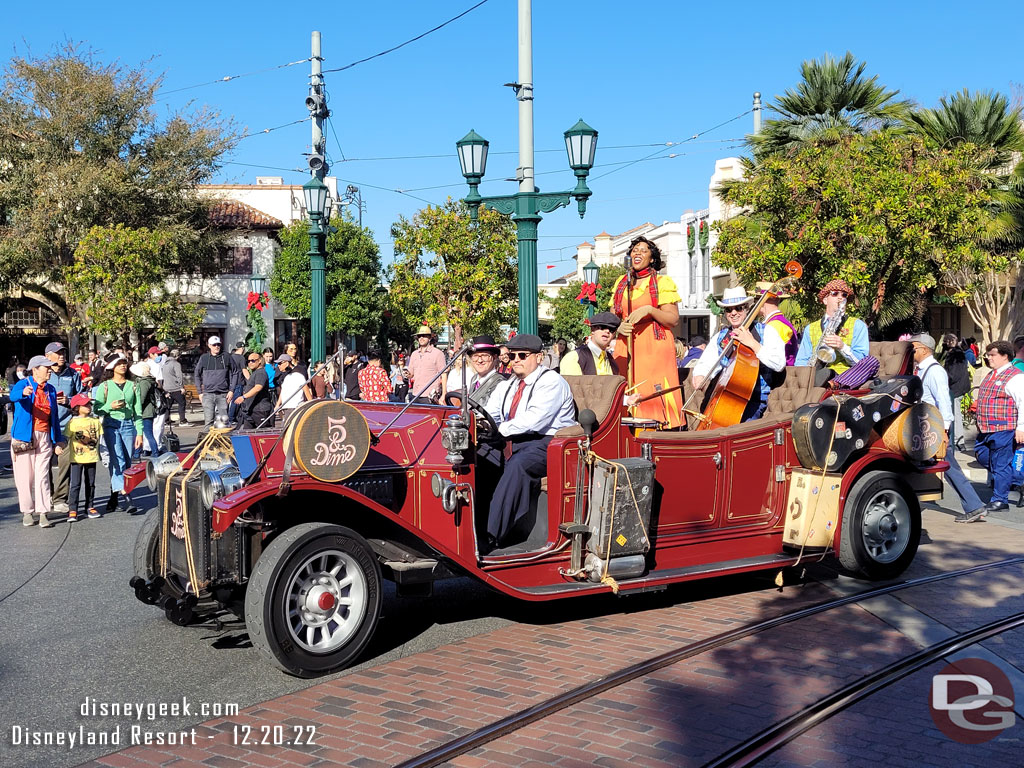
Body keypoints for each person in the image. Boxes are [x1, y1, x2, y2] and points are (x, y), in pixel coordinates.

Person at [482, 334, 576, 551]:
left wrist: (499, 431)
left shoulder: (551, 382)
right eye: (511, 356)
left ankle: (493, 536)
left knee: (518, 465)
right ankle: (471, 524)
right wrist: (479, 425)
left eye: (522, 355)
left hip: (549, 443)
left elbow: (534, 419)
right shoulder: (509, 384)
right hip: (513, 439)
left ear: (539, 357)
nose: (515, 360)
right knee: (479, 456)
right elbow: (492, 410)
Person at [909, 334, 986, 524]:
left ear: (925, 349)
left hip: (935, 429)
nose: (911, 352)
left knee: (950, 468)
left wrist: (944, 432)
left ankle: (974, 506)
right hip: (925, 427)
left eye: (914, 348)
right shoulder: (921, 370)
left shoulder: (935, 372)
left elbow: (944, 402)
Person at [610, 236, 684, 428]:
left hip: (653, 343)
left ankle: (659, 427)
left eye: (643, 250)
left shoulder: (662, 281)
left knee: (651, 387)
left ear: (652, 258)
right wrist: (617, 326)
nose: (638, 253)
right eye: (635, 249)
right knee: (623, 384)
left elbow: (673, 318)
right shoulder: (621, 282)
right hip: (625, 342)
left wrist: (650, 310)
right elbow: (613, 314)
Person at [691, 287, 786, 423]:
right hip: (723, 397)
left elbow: (779, 363)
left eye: (739, 308)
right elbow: (706, 363)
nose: (733, 313)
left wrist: (753, 344)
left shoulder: (767, 332)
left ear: (747, 308)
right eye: (729, 309)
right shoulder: (720, 336)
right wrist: (700, 375)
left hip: (752, 399)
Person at [10, 354, 66, 528]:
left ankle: (43, 512)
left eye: (50, 368)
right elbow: (13, 396)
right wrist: (23, 393)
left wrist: (58, 440)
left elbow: (54, 417)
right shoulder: (24, 384)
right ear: (35, 370)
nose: (50, 371)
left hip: (44, 436)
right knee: (24, 476)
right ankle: (27, 511)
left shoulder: (50, 389)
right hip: (24, 436)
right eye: (46, 368)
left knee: (43, 476)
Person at [972, 340, 1024, 516]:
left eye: (993, 354)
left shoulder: (1016, 376)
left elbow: (1023, 403)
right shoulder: (992, 374)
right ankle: (1019, 480)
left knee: (1001, 463)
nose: (989, 358)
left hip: (1005, 427)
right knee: (982, 455)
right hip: (986, 428)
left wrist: (1021, 428)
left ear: (1005, 356)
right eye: (988, 354)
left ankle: (1000, 500)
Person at [795, 279, 869, 385]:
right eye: (834, 294)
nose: (840, 297)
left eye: (844, 295)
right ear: (825, 300)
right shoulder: (810, 328)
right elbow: (800, 361)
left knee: (871, 362)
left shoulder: (858, 325)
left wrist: (842, 347)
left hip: (846, 378)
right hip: (815, 376)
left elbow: (862, 363)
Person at [94, 354, 143, 514]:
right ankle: (127, 497)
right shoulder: (105, 386)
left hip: (129, 425)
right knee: (118, 460)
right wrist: (110, 406)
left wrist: (140, 432)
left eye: (125, 363)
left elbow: (138, 410)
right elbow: (97, 409)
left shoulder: (133, 385)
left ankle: (114, 494)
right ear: (112, 367)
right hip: (111, 425)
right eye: (119, 363)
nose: (123, 366)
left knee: (127, 462)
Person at [45, 341, 83, 516]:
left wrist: (69, 401)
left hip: (66, 425)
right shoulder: (41, 374)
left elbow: (81, 396)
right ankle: (47, 496)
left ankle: (60, 499)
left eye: (63, 352)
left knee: (65, 464)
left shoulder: (73, 373)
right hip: (45, 427)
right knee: (44, 465)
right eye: (57, 353)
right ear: (47, 356)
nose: (61, 355)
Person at [65, 393, 103, 521]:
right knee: (75, 484)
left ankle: (90, 506)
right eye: (85, 404)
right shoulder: (72, 422)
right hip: (76, 458)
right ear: (77, 407)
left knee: (90, 483)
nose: (89, 406)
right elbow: (66, 437)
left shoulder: (95, 422)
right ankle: (73, 509)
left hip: (91, 456)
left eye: (89, 404)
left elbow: (97, 438)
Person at [193, 336, 240, 428]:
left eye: (218, 344)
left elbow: (235, 372)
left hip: (223, 394)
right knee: (208, 422)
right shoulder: (204, 358)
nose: (216, 346)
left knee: (224, 421)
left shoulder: (226, 356)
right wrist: (200, 392)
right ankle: (208, 442)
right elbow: (197, 374)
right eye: (214, 345)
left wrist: (231, 390)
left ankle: (223, 441)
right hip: (208, 394)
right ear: (209, 345)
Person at [755, 282, 799, 366]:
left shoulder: (775, 325)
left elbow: (775, 361)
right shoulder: (780, 322)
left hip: (780, 377)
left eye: (757, 299)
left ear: (762, 300)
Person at [406, 325, 446, 403]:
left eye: (424, 336)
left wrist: (444, 394)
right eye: (419, 336)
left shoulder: (438, 353)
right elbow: (411, 374)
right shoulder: (414, 354)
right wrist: (407, 374)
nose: (421, 338)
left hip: (430, 395)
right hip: (415, 394)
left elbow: (444, 374)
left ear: (430, 338)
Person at [235, 352, 275, 429]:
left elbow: (258, 387)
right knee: (247, 434)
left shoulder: (261, 373)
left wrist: (243, 397)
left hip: (261, 410)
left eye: (253, 360)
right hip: (251, 410)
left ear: (260, 360)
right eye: (248, 361)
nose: (250, 363)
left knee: (263, 435)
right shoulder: (255, 373)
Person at [131, 361, 158, 459]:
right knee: (143, 433)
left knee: (146, 433)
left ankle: (154, 452)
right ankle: (138, 452)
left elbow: (141, 398)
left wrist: (134, 408)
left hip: (145, 412)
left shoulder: (144, 382)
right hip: (147, 411)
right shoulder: (146, 381)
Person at [275, 354, 307, 420]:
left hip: (295, 407)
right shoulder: (286, 376)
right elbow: (283, 391)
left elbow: (306, 390)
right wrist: (277, 405)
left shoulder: (298, 374)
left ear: (286, 363)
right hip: (286, 408)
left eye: (280, 363)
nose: (278, 366)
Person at [162, 348, 188, 427]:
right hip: (176, 388)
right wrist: (182, 387)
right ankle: (182, 420)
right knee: (182, 403)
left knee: (167, 406)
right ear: (177, 356)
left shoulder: (164, 364)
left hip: (166, 388)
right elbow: (179, 376)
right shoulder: (176, 364)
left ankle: (166, 421)